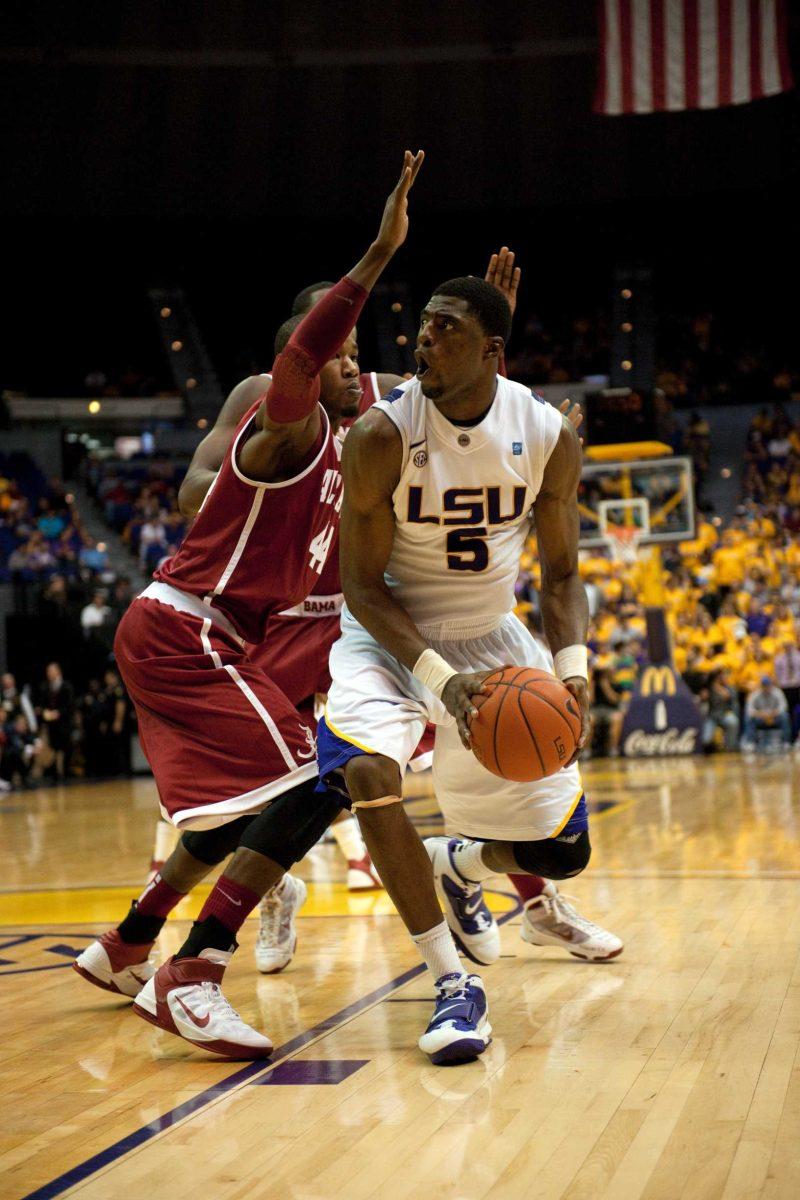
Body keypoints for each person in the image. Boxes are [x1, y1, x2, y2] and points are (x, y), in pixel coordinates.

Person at [74, 151, 448, 1062]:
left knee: (237, 814)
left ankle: (130, 945)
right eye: (343, 357)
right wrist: (377, 255)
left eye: (362, 359)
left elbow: (429, 408)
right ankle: (192, 974)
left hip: (217, 635)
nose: (356, 371)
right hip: (187, 628)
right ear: (309, 364)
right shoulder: (285, 422)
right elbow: (304, 356)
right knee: (322, 780)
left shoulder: (350, 439)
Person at [317, 271, 620, 1062]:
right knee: (370, 776)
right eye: (421, 324)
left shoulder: (548, 432)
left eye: (444, 327)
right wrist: (438, 682)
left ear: (491, 350)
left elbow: (561, 577)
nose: (422, 338)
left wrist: (574, 669)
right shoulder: (381, 435)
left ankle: (461, 864)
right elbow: (358, 584)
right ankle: (452, 983)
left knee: (565, 852)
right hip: (390, 632)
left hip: (490, 633)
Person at [37, 662, 74, 781]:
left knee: (66, 747)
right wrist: (44, 712)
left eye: (51, 671)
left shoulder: (66, 686)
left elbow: (69, 705)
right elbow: (42, 705)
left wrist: (58, 713)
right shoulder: (45, 687)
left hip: (64, 723)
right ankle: (54, 774)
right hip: (51, 724)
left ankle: (66, 772)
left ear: (58, 671)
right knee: (53, 747)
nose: (49, 674)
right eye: (48, 671)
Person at [741, 676, 791, 751]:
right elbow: (749, 710)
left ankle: (786, 742)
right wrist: (761, 714)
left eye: (767, 685)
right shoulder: (755, 694)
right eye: (764, 686)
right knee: (749, 718)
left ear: (771, 685)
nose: (766, 687)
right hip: (760, 719)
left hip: (774, 718)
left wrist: (772, 714)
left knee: (785, 716)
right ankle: (750, 743)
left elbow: (783, 707)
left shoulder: (777, 692)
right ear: (761, 686)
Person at [701, 670, 740, 753]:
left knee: (733, 722)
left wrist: (715, 685)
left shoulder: (729, 688)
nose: (723, 678)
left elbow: (726, 695)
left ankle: (730, 747)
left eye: (722, 677)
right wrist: (706, 691)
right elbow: (703, 698)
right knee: (705, 740)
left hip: (724, 715)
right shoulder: (708, 688)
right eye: (720, 677)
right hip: (711, 716)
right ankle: (713, 748)